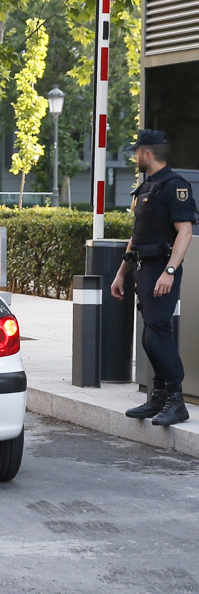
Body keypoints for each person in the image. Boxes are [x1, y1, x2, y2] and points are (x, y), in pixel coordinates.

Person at [112, 130, 197, 426]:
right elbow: (136, 237)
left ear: (147, 153)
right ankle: (160, 397)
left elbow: (185, 232)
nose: (135, 156)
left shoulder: (174, 186)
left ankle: (176, 399)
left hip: (162, 266)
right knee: (151, 335)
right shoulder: (148, 186)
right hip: (143, 268)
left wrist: (170, 271)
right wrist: (121, 273)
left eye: (137, 151)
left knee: (157, 333)